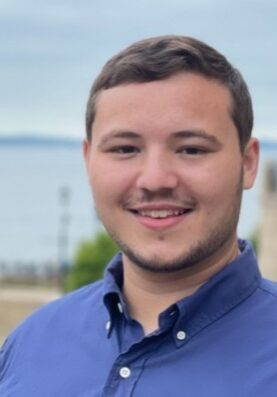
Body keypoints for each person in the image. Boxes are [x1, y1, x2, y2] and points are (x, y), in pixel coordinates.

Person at [1, 35, 276, 396]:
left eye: (191, 149)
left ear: (247, 162)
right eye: (125, 149)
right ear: (89, 162)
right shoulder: (30, 344)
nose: (155, 180)